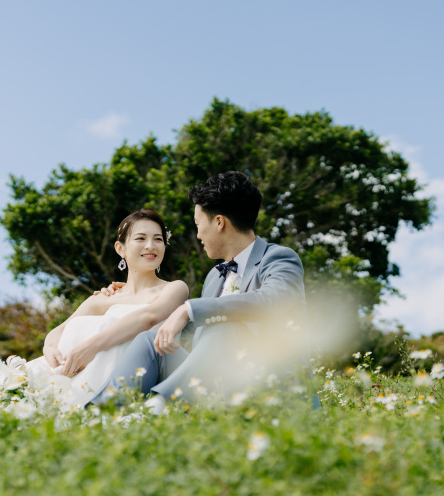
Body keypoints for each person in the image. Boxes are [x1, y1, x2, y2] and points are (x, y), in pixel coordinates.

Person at [93, 171, 309, 410]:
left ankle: (160, 409)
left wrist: (189, 308)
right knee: (150, 341)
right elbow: (190, 331)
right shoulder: (214, 277)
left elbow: (271, 300)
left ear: (219, 222)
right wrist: (129, 299)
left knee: (226, 325)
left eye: (198, 225)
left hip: (268, 387)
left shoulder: (279, 258)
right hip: (218, 386)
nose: (197, 235)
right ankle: (99, 415)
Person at [0, 209, 189, 412]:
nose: (150, 245)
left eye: (158, 239)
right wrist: (51, 351)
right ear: (120, 248)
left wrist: (90, 348)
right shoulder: (104, 299)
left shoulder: (174, 288)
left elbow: (148, 318)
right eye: (140, 238)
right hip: (72, 372)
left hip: (124, 379)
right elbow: (58, 332)